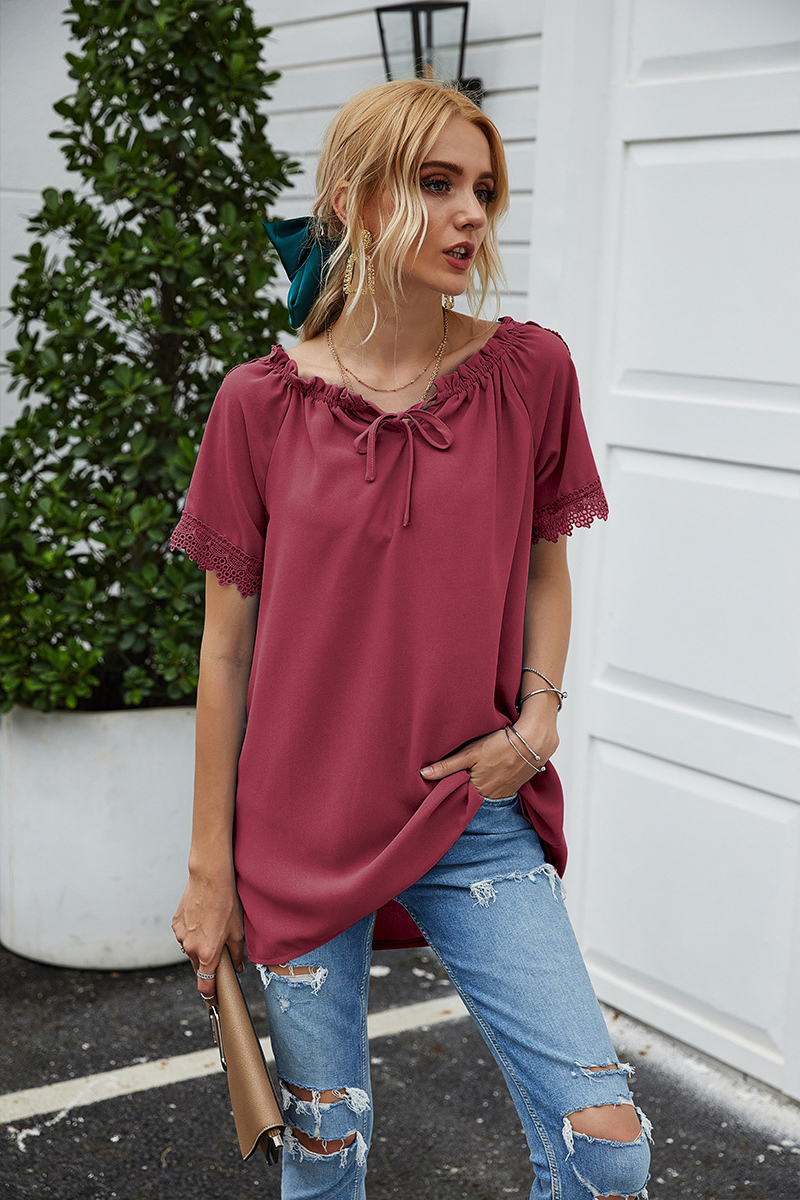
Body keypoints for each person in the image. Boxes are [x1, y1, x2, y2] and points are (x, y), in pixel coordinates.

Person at [170, 79, 652, 1200]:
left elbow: (546, 563)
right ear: (351, 200)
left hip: (471, 810)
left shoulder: (527, 372)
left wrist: (536, 721)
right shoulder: (258, 405)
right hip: (295, 833)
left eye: (483, 188)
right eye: (436, 184)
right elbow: (225, 654)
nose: (471, 213)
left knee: (605, 1144)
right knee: (325, 1157)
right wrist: (207, 870)